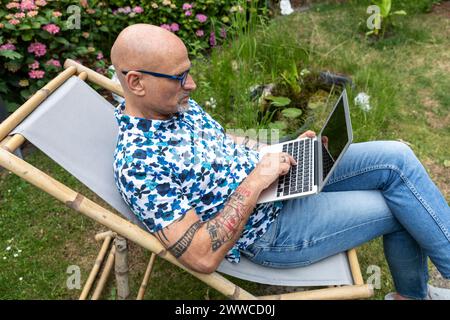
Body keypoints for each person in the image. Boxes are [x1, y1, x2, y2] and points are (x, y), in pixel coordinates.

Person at [111, 24, 450, 300]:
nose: (192, 84)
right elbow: (200, 256)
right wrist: (257, 180)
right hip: (271, 231)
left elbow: (226, 142)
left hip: (276, 178)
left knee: (396, 157)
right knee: (400, 207)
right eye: (179, 77)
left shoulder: (172, 106)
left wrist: (280, 149)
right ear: (136, 82)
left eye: (188, 72)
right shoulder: (139, 164)